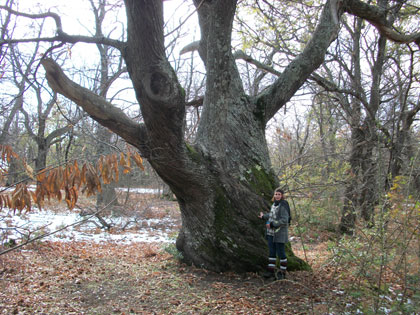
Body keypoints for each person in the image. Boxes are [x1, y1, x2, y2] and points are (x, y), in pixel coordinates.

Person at [258, 188, 291, 280]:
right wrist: (263, 216)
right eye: (276, 194)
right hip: (271, 233)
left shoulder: (283, 205)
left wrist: (272, 224)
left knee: (281, 253)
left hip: (280, 233)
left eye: (279, 194)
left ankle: (282, 272)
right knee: (272, 252)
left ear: (282, 196)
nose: (277, 196)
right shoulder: (274, 204)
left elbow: (285, 220)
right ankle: (270, 271)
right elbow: (272, 214)